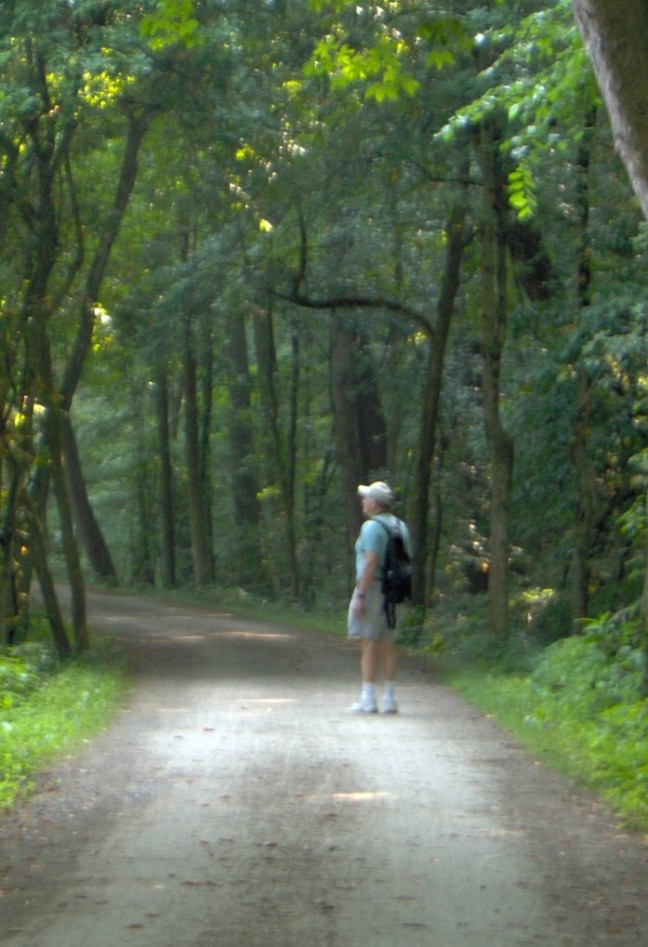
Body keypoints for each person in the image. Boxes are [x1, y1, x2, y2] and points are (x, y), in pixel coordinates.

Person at [347, 480, 412, 714]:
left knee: (368, 642)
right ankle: (390, 699)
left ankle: (368, 698)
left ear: (374, 503)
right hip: (395, 592)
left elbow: (371, 563)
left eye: (365, 498)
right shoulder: (400, 526)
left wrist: (361, 595)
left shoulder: (371, 527)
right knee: (387, 644)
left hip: (373, 588)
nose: (363, 502)